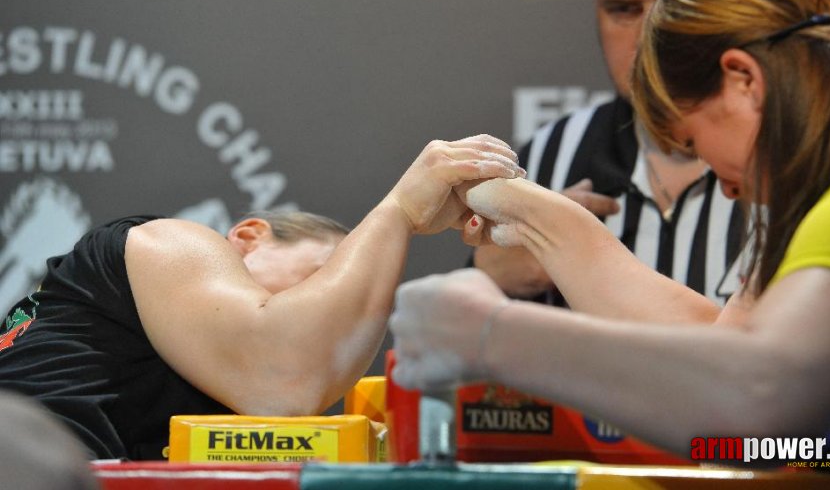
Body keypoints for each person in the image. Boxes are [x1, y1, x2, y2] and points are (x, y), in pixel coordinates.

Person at [390, 0, 830, 487]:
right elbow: (721, 356)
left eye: (690, 138)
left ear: (744, 81)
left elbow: (753, 412)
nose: (730, 191)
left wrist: (492, 336)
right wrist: (540, 219)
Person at [0, 134, 524, 461]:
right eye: (321, 277)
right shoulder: (163, 242)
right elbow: (286, 372)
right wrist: (401, 212)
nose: (326, 310)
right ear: (249, 236)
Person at [475, 0, 753, 307]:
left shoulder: (800, 163)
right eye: (623, 9)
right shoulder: (547, 161)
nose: (648, 36)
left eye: (678, 1)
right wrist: (485, 277)